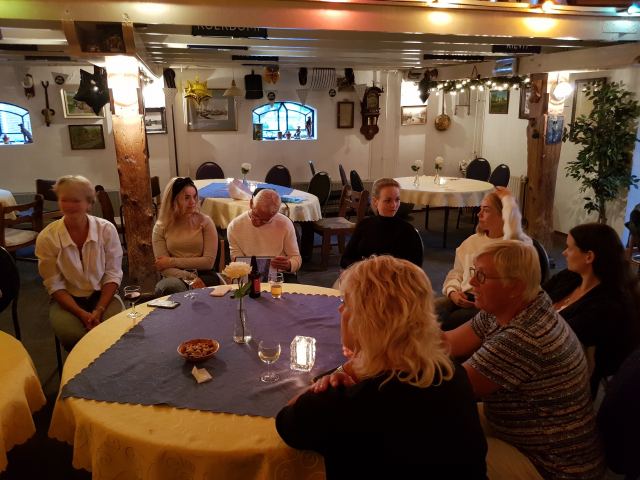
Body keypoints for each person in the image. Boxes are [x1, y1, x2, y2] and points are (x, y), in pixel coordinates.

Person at [276, 255, 488, 479]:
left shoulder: (343, 403)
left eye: (346, 304)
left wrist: (342, 373)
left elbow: (287, 420)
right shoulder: (452, 373)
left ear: (365, 321)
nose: (340, 310)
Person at [444, 241, 604, 480]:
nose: (472, 282)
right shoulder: (514, 305)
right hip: (513, 427)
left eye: (482, 276)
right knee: (432, 422)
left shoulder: (524, 338)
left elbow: (449, 390)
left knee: (437, 450)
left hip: (552, 466)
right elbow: (448, 342)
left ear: (514, 286)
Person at [543, 223, 640, 394]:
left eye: (569, 248)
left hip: (564, 382)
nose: (563, 253)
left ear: (589, 256)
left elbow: (556, 339)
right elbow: (537, 296)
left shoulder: (608, 306)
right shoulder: (571, 277)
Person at [35, 175, 123, 351]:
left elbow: (112, 274)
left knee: (114, 333)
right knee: (73, 337)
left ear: (89, 203)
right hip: (68, 300)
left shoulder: (106, 230)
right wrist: (81, 313)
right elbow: (54, 284)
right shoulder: (47, 237)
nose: (69, 205)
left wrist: (99, 309)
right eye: (64, 200)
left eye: (75, 200)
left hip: (102, 296)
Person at [436, 187, 530, 330]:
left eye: (486, 210)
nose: (479, 214)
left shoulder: (514, 246)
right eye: (480, 209)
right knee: (427, 311)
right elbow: (456, 273)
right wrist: (453, 291)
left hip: (490, 305)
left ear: (503, 214)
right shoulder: (471, 242)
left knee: (451, 322)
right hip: (464, 296)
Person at [152, 177, 219, 295]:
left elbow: (208, 262)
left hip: (204, 274)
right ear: (173, 200)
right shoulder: (161, 226)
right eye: (187, 198)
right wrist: (189, 277)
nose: (193, 202)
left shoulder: (205, 222)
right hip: (175, 275)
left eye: (194, 197)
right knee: (170, 286)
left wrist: (171, 261)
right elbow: (162, 266)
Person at [340, 177, 423, 269]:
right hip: (366, 275)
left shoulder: (408, 231)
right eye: (388, 200)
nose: (394, 205)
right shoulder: (364, 225)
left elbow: (415, 268)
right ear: (376, 201)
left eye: (397, 199)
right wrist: (366, 268)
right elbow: (345, 259)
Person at [227, 189, 301, 274]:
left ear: (275, 214)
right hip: (249, 274)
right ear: (251, 203)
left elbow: (296, 259)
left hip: (280, 275)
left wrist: (289, 265)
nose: (257, 222)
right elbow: (237, 263)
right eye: (255, 215)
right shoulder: (235, 226)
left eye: (265, 220)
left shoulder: (285, 224)